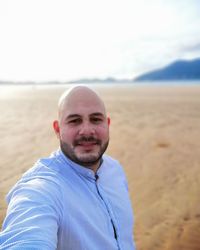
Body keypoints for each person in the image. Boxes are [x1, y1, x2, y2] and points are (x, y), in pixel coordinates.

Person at [0, 86, 136, 249]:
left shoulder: (115, 169)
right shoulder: (43, 188)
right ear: (58, 130)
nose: (87, 131)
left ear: (107, 125)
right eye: (74, 121)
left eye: (96, 119)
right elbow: (26, 236)